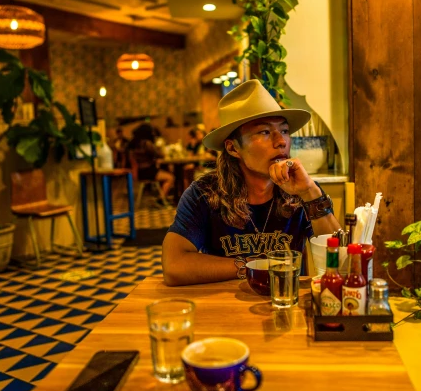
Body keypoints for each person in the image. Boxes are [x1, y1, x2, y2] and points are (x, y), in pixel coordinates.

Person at [162, 80, 340, 286]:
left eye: (284, 131)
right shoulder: (204, 193)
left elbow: (338, 257)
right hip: (223, 306)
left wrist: (310, 193)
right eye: (264, 132)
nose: (281, 141)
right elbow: (174, 266)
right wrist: (251, 267)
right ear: (233, 148)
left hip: (285, 303)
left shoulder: (305, 190)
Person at [129, 122, 175, 203]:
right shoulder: (146, 143)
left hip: (139, 172)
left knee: (164, 171)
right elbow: (159, 154)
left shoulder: (133, 144)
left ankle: (163, 197)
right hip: (148, 171)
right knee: (170, 178)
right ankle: (161, 199)